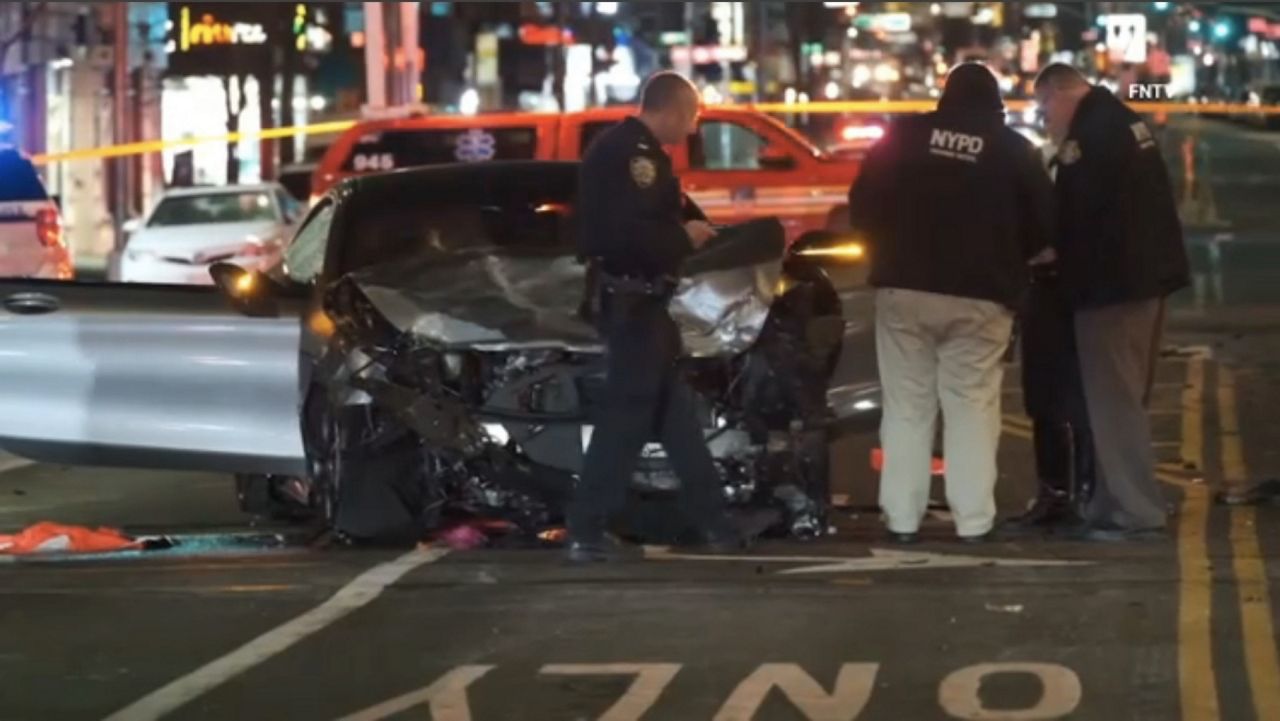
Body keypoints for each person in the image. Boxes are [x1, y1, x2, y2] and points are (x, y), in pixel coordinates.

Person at [847, 63, 1055, 543]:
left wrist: (890, 245)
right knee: (971, 407)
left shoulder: (902, 136)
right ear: (995, 106)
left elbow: (862, 206)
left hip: (904, 289)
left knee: (906, 407)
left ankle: (901, 517)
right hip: (982, 298)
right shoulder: (1013, 151)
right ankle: (974, 520)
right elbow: (1044, 227)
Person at [567, 72, 741, 562]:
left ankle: (715, 523)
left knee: (675, 418)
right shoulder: (633, 156)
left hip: (643, 303)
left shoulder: (628, 150)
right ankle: (587, 528)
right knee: (626, 417)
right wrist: (684, 238)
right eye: (691, 118)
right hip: (633, 302)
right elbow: (627, 235)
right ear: (671, 109)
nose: (691, 130)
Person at [1033, 64, 1190, 541]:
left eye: (1044, 109)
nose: (1045, 121)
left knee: (1113, 401)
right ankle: (1109, 501)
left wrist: (1047, 251)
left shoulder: (1090, 135)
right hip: (1143, 280)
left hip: (1111, 289)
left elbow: (1077, 213)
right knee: (1120, 399)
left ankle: (1135, 509)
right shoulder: (1121, 120)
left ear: (1061, 95)